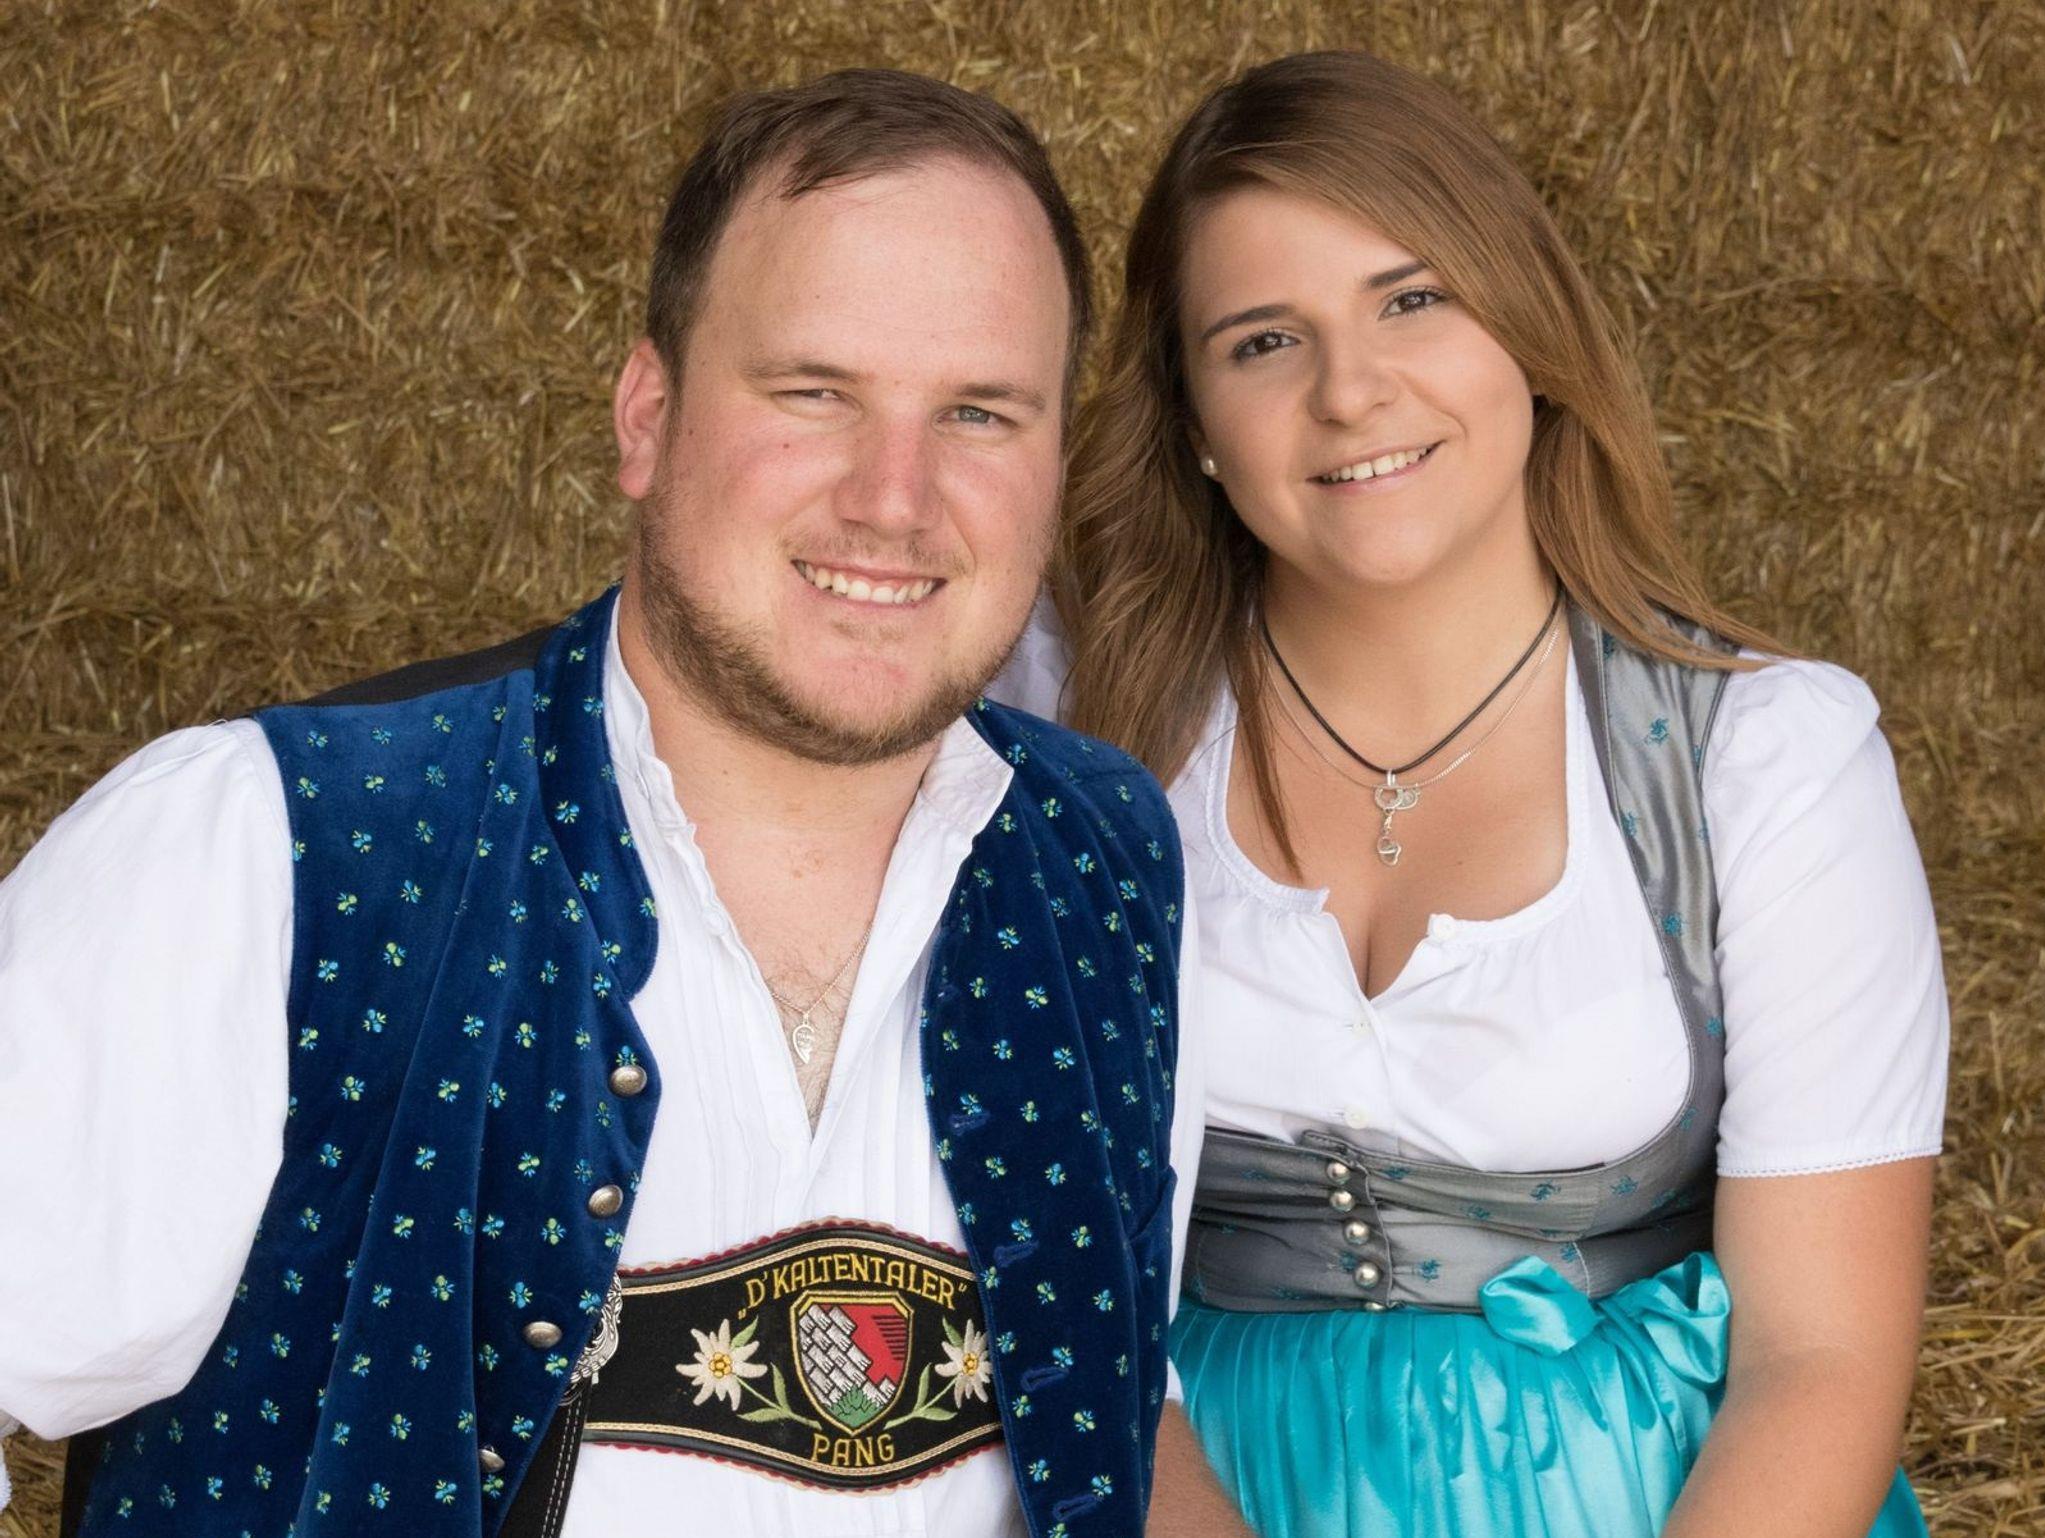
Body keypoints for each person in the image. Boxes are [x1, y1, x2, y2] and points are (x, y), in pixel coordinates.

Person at [0, 68, 1236, 1538]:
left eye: (979, 412)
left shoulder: (1106, 864)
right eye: (814, 393)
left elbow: (1110, 1400)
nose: (894, 498)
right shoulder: (268, 852)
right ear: (646, 415)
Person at [994, 50, 1948, 1538]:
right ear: (1191, 419)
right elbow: (1036, 1277)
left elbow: (1817, 1361)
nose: (1350, 390)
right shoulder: (1088, 732)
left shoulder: (1764, 759)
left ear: (1531, 331)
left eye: (1414, 299)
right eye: (1264, 341)